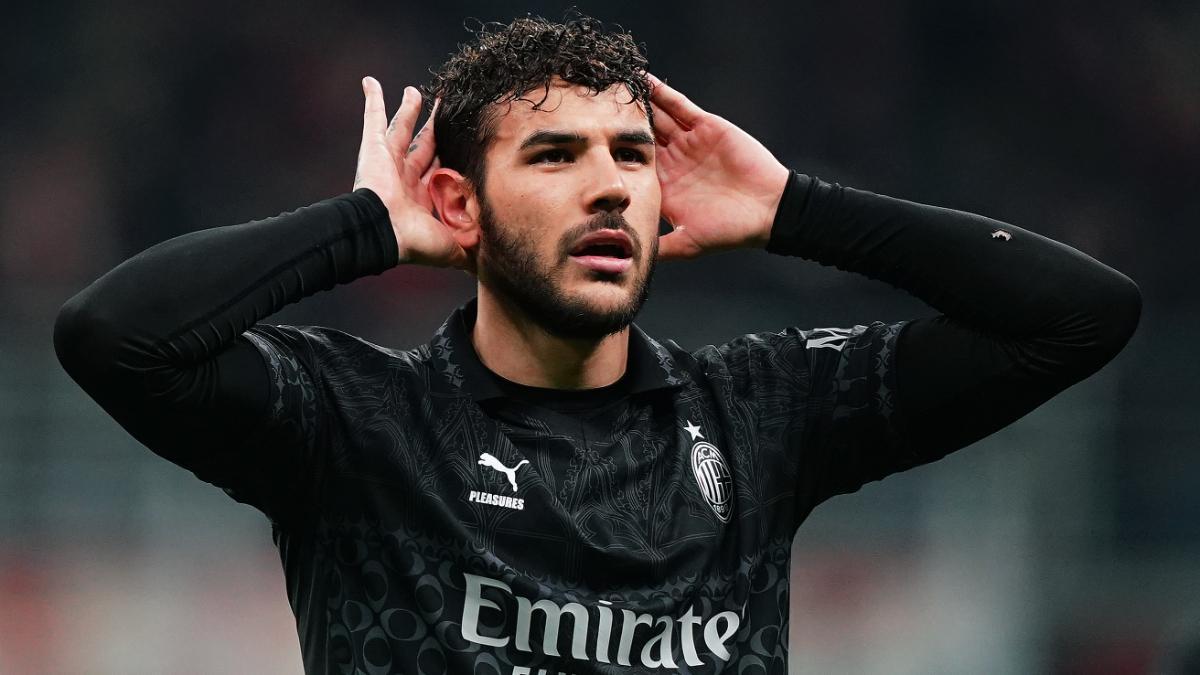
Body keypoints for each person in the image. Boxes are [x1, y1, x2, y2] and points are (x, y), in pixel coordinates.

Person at [54, 15, 1140, 675]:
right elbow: (115, 334)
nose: (611, 182)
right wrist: (364, 230)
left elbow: (1080, 315)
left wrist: (803, 209)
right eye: (556, 155)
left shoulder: (762, 415)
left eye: (631, 152)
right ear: (458, 202)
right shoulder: (359, 425)